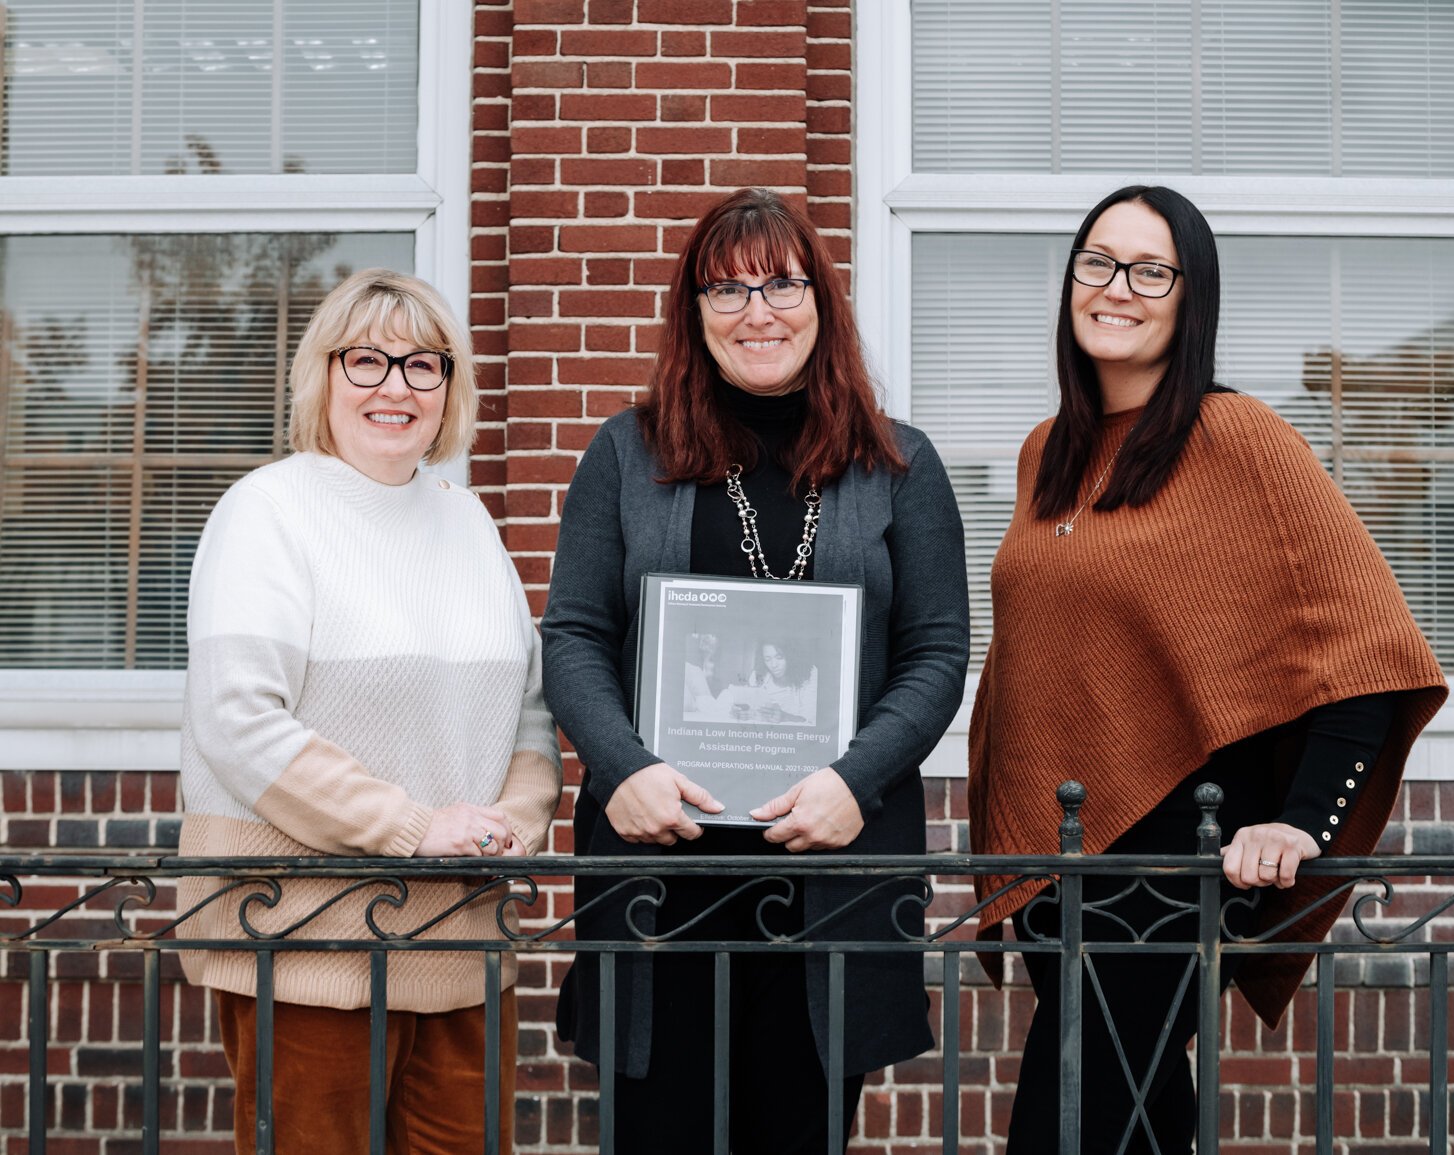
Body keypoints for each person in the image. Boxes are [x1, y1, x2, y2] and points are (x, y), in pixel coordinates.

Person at [966, 186, 1448, 1154]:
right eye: (1097, 262)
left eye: (1151, 271)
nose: (1117, 288)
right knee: (1138, 1115)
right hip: (1062, 864)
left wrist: (1300, 825)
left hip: (1174, 864)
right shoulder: (1042, 455)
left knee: (1071, 1117)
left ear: (1192, 300)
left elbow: (1370, 654)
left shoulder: (1240, 440)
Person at [542, 187, 968, 1153]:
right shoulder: (626, 451)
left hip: (831, 865)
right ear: (694, 315)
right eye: (726, 291)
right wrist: (624, 767)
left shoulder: (900, 464)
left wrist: (853, 781)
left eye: (782, 282)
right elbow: (572, 636)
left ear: (822, 300)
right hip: (661, 872)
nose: (758, 311)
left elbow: (938, 652)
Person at [175, 269, 563, 1154]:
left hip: (461, 939)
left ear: (450, 389)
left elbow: (530, 711)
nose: (396, 386)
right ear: (324, 374)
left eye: (425, 365)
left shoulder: (469, 524)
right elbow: (240, 719)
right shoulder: (268, 513)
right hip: (303, 940)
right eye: (368, 360)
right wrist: (412, 825)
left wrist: (510, 822)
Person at [753, 640, 818, 725]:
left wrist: (785, 717)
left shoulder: (810, 674)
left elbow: (811, 720)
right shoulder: (758, 675)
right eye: (767, 659)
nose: (773, 665)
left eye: (779, 657)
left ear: (791, 655)